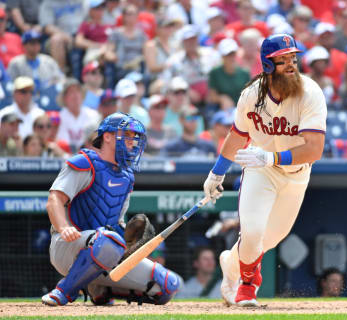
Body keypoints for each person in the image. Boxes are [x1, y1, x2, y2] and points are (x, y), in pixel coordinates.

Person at [202, 33, 326, 307]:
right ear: (268, 65)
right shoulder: (251, 94)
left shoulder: (311, 93)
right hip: (260, 169)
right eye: (283, 61)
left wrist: (271, 157)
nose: (291, 65)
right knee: (254, 231)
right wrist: (217, 172)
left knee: (270, 239)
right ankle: (247, 287)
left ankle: (231, 263)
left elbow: (315, 150)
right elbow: (237, 135)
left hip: (294, 173)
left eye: (293, 58)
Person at [41, 112, 180, 306]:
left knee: (168, 285)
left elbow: (116, 222)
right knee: (109, 240)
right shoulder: (85, 162)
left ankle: (99, 288)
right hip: (68, 246)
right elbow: (54, 199)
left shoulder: (127, 177)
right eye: (127, 135)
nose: (132, 142)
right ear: (107, 136)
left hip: (106, 250)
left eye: (135, 137)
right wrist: (64, 227)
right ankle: (65, 290)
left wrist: (129, 239)